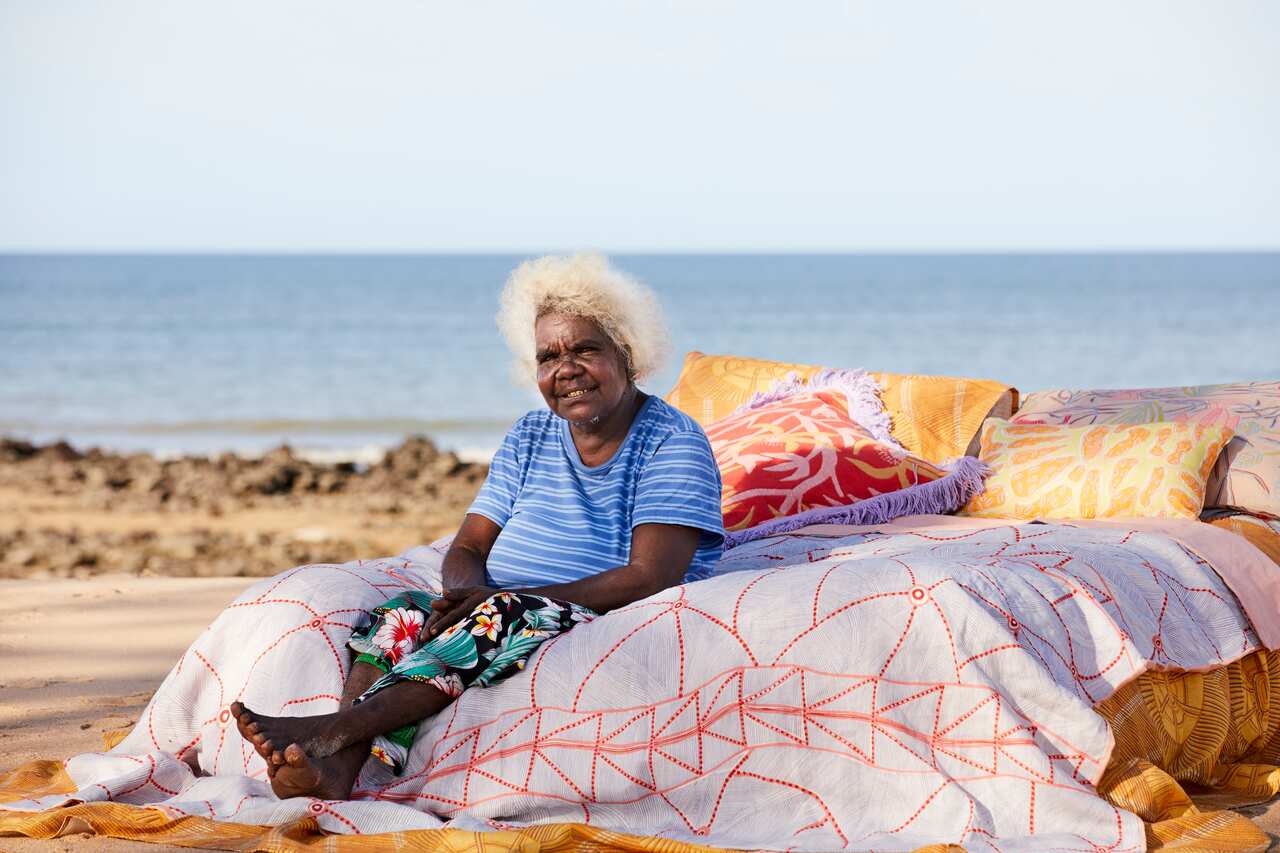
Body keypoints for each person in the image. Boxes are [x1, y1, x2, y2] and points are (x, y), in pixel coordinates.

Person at [231, 253, 725, 800]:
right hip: (502, 600)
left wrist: (498, 599)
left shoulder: (671, 442)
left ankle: (333, 730)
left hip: (596, 606)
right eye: (548, 356)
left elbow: (648, 576)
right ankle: (336, 771)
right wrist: (463, 594)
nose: (566, 368)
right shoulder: (532, 434)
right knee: (401, 613)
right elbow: (469, 542)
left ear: (627, 355)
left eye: (586, 349)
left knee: (499, 616)